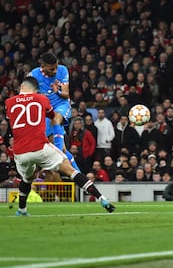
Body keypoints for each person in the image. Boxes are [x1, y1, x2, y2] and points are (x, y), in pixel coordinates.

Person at [5, 77, 115, 216]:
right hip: (40, 146)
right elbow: (53, 117)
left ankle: (21, 210)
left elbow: (12, 124)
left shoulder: (8, 102)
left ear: (21, 86)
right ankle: (102, 199)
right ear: (36, 89)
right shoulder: (41, 99)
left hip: (20, 152)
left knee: (27, 178)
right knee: (70, 170)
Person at [29, 52, 80, 171]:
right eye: (52, 69)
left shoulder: (62, 70)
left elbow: (66, 94)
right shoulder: (33, 75)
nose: (55, 70)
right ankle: (80, 175)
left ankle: (59, 155)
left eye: (56, 67)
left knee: (56, 118)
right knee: (62, 149)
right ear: (43, 66)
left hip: (61, 104)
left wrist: (57, 91)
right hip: (46, 111)